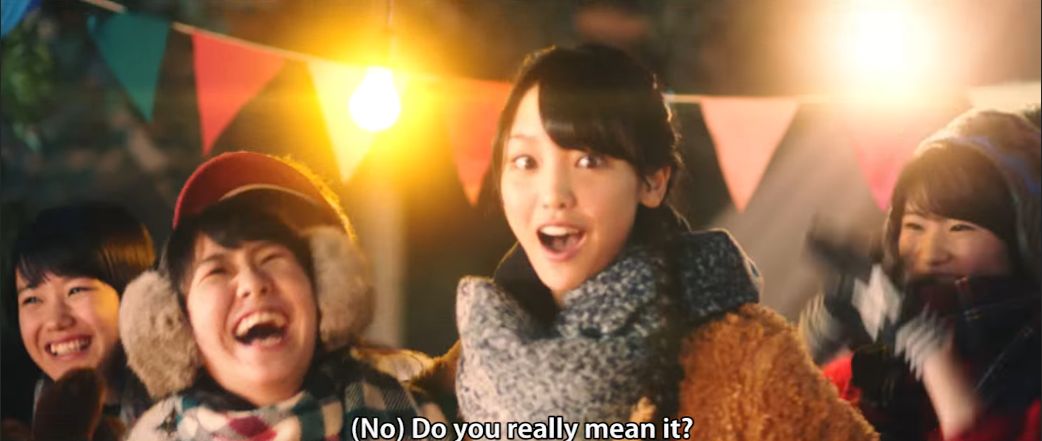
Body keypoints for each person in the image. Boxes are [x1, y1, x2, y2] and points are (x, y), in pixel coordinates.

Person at [437, 44, 876, 440]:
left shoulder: (747, 360)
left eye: (589, 160)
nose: (553, 194)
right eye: (525, 161)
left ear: (652, 182)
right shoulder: (479, 361)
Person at [121, 152, 443, 439]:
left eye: (273, 255)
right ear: (178, 325)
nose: (252, 283)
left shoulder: (408, 406)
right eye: (217, 270)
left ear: (329, 288)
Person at [799, 109, 1040, 440]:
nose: (930, 254)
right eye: (914, 226)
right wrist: (809, 348)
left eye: (960, 228)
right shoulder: (877, 366)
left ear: (1023, 239)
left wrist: (934, 359)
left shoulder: (1030, 364)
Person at [8, 202, 155, 433]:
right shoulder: (25, 415)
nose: (55, 321)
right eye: (32, 300)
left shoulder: (193, 415)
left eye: (76, 290)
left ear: (134, 292)